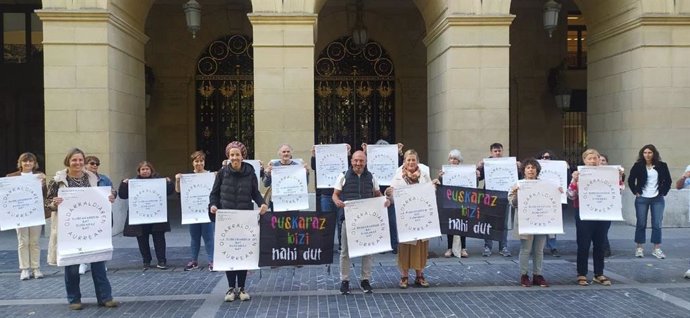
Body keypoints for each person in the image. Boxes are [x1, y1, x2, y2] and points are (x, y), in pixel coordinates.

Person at [45, 148, 117, 310]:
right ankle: (74, 299)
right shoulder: (58, 181)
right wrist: (54, 203)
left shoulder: (93, 178)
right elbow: (47, 203)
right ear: (68, 162)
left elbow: (108, 192)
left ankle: (105, 298)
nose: (77, 163)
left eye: (80, 160)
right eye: (74, 160)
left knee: (98, 262)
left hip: (92, 225)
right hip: (69, 228)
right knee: (71, 266)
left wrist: (111, 196)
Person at [209, 141, 268, 302]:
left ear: (243, 156)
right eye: (232, 155)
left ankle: (241, 288)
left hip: (244, 216)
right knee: (229, 252)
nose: (234, 157)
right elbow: (214, 194)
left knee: (242, 252)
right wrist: (213, 205)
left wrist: (262, 203)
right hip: (226, 216)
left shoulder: (250, 173)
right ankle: (230, 288)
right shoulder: (222, 173)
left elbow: (255, 193)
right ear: (228, 157)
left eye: (237, 154)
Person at [332, 150, 389, 295]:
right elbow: (335, 194)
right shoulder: (343, 175)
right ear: (351, 161)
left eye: (361, 161)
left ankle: (365, 280)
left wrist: (384, 201)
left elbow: (377, 194)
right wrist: (337, 201)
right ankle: (344, 281)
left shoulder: (371, 177)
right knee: (345, 252)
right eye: (356, 160)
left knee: (368, 251)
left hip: (367, 220)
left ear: (365, 162)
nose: (358, 163)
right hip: (348, 219)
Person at [568, 148, 621, 286]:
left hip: (603, 214)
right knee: (583, 245)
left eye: (595, 158)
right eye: (589, 158)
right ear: (584, 160)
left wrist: (619, 177)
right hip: (584, 214)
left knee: (600, 244)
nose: (592, 161)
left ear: (599, 160)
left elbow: (619, 190)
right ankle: (582, 273)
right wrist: (574, 180)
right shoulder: (579, 175)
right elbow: (570, 195)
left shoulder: (608, 174)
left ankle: (599, 273)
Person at [387, 149, 432, 288]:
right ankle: (404, 276)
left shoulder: (424, 175)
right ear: (404, 162)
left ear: (417, 161)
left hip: (421, 215)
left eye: (413, 160)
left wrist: (434, 187)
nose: (411, 162)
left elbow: (431, 193)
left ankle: (420, 275)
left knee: (420, 246)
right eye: (408, 160)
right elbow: (391, 197)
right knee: (405, 246)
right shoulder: (398, 176)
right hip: (405, 218)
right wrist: (388, 193)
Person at [119, 161, 174, 269]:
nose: (145, 171)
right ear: (139, 172)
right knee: (142, 240)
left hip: (156, 217)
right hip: (140, 217)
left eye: (147, 169)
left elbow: (169, 191)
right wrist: (124, 184)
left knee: (159, 239)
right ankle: (146, 260)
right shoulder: (133, 183)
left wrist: (169, 183)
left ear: (151, 170)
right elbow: (123, 195)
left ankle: (161, 261)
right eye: (142, 169)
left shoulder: (159, 181)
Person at [509, 158, 553, 287]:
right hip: (526, 221)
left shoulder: (545, 185)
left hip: (541, 220)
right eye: (528, 167)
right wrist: (516, 194)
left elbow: (551, 200)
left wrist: (557, 192)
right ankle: (524, 275)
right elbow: (513, 203)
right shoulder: (517, 184)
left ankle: (537, 275)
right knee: (526, 249)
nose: (531, 170)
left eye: (533, 167)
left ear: (537, 170)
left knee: (539, 250)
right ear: (524, 170)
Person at [6, 152, 47, 281]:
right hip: (19, 213)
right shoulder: (11, 177)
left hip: (35, 212)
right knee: (23, 242)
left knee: (34, 242)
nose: (28, 163)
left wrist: (43, 184)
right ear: (20, 163)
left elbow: (46, 195)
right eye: (25, 161)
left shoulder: (39, 177)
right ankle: (24, 269)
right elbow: (7, 195)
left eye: (30, 161)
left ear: (35, 163)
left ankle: (36, 268)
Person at [628, 144, 672, 259]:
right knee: (641, 223)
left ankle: (656, 248)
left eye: (650, 152)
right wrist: (635, 191)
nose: (647, 155)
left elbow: (668, 180)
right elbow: (631, 179)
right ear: (642, 154)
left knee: (657, 223)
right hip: (642, 197)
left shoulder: (662, 165)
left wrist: (663, 192)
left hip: (657, 198)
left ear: (654, 154)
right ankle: (639, 248)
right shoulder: (638, 166)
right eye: (645, 153)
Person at [362, 140, 404, 254]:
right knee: (378, 220)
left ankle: (394, 244)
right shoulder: (371, 160)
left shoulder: (394, 160)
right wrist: (365, 153)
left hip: (390, 190)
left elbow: (400, 168)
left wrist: (399, 153)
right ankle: (381, 245)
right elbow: (364, 167)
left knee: (391, 219)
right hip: (375, 191)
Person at [175, 151, 214, 271]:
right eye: (196, 161)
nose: (199, 163)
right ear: (193, 163)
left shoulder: (210, 175)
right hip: (193, 212)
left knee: (209, 237)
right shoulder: (187, 177)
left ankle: (212, 260)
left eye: (201, 161)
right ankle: (194, 260)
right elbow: (178, 191)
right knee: (194, 237)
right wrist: (177, 180)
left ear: (204, 162)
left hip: (206, 212)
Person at [476, 142, 516, 257]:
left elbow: (516, 176)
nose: (497, 153)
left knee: (503, 224)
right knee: (488, 223)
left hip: (503, 198)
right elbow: (478, 177)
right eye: (495, 151)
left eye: (499, 151)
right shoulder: (486, 164)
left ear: (502, 151)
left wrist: (518, 167)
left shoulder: (508, 164)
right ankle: (488, 247)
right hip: (489, 198)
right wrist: (478, 168)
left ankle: (503, 247)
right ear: (491, 152)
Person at [78, 155, 116, 275]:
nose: (94, 166)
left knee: (101, 238)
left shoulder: (104, 179)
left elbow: (113, 191)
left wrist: (113, 195)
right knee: (84, 238)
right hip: (85, 213)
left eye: (97, 164)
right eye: (92, 163)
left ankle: (100, 263)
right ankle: (83, 262)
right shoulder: (78, 179)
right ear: (85, 165)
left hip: (102, 213)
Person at [310, 144, 351, 253]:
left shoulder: (343, 160)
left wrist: (347, 153)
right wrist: (314, 155)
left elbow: (348, 167)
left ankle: (342, 246)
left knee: (340, 220)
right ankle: (326, 245)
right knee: (326, 221)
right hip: (326, 194)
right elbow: (314, 166)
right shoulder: (320, 160)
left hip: (340, 194)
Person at [432, 149, 469, 258]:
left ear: (459, 161)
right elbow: (440, 187)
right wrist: (440, 178)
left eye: (455, 159)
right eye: (451, 158)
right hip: (449, 202)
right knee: (450, 224)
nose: (453, 161)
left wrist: (475, 175)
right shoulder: (444, 172)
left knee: (462, 224)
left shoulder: (465, 171)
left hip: (462, 202)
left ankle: (463, 248)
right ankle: (449, 248)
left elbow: (472, 185)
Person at [262, 144, 310, 210]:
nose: (286, 154)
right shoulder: (273, 166)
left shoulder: (297, 166)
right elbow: (265, 184)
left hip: (293, 201)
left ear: (291, 153)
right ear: (279, 153)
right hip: (277, 202)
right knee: (277, 220)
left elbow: (305, 184)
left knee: (293, 220)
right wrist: (268, 173)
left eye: (288, 151)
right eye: (284, 152)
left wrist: (306, 173)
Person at [537, 150, 561, 258]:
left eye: (548, 157)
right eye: (543, 157)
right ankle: (538, 247)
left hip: (553, 199)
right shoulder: (535, 170)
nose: (546, 159)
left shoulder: (558, 169)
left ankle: (553, 246)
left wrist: (568, 169)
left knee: (552, 224)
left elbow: (566, 181)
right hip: (539, 199)